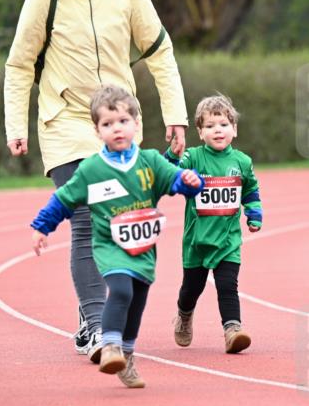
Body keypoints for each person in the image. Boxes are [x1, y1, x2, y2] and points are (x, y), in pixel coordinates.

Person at [4, 0, 188, 361]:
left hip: (120, 124)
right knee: (85, 221)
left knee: (121, 221)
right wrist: (17, 125)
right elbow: (19, 65)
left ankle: (113, 308)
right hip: (65, 125)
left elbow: (160, 52)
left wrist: (175, 113)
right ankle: (93, 321)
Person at [29, 85, 203, 388]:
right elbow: (65, 199)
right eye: (107, 124)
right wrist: (42, 226)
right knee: (120, 290)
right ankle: (110, 346)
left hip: (144, 248)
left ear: (136, 124)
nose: (117, 129)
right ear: (97, 131)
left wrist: (191, 181)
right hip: (110, 246)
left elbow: (177, 183)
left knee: (136, 303)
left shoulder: (149, 161)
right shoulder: (92, 169)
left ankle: (127, 356)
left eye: (123, 121)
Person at [165, 95, 263, 354]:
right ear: (199, 132)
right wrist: (173, 155)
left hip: (228, 241)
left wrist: (254, 213)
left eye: (223, 124)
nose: (217, 130)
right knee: (191, 289)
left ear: (234, 129)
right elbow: (169, 171)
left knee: (228, 285)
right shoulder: (194, 157)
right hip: (197, 242)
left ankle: (233, 330)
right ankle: (184, 315)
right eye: (209, 126)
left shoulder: (242, 162)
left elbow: (251, 189)